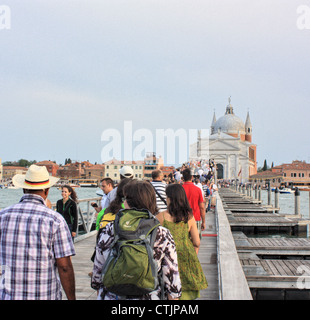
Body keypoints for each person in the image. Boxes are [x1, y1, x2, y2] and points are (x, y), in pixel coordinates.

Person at [91, 180, 182, 300]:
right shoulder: (162, 234)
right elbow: (172, 284)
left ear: (127, 203)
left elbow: (98, 272)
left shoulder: (109, 229)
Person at [0, 165, 76, 300]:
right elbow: (64, 266)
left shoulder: (3, 215)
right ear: (46, 191)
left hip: (8, 295)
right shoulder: (55, 220)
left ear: (24, 188)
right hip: (44, 294)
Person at [156, 184, 208, 300]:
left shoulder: (161, 217)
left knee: (170, 291)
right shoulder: (188, 216)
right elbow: (197, 242)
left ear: (169, 198)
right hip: (186, 256)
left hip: (167, 259)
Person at [182, 168, 206, 238]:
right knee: (196, 242)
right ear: (192, 177)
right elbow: (202, 207)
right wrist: (203, 221)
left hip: (182, 219)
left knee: (184, 241)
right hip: (196, 218)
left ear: (183, 178)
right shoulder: (198, 190)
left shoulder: (179, 189)